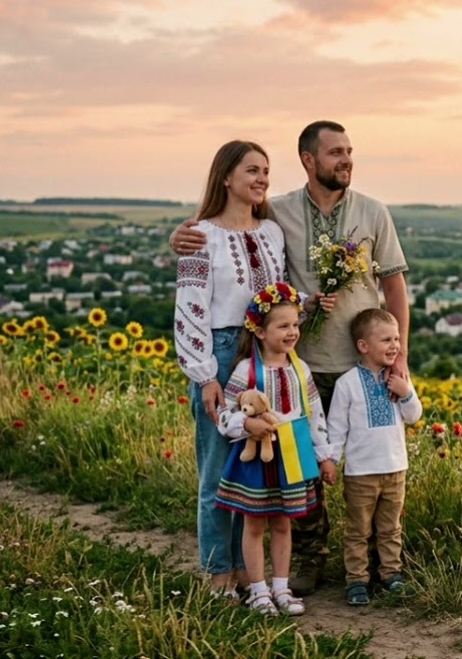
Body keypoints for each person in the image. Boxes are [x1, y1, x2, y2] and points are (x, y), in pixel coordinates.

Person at [170, 120, 411, 595]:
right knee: (258, 468)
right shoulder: (268, 218)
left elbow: (386, 287)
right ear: (309, 159)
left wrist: (398, 356)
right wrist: (178, 239)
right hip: (262, 358)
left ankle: (373, 564)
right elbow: (199, 283)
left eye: (349, 151)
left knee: (353, 465)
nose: (345, 159)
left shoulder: (351, 215)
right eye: (335, 152)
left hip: (327, 362)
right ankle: (267, 568)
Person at [174, 139, 285, 601]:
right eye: (251, 171)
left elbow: (279, 296)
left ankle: (247, 569)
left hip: (260, 355)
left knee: (252, 471)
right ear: (225, 177)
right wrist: (206, 376)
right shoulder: (202, 234)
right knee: (218, 468)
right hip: (219, 352)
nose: (261, 179)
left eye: (265, 171)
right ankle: (218, 570)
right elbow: (190, 308)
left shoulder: (272, 233)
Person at [214, 283, 338, 615]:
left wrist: (324, 455)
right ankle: (258, 591)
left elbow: (315, 415)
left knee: (284, 523)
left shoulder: (300, 370)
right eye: (283, 326)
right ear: (260, 330)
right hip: (256, 461)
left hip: (292, 458)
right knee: (255, 525)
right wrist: (246, 424)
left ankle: (281, 588)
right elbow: (224, 414)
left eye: (295, 324)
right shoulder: (246, 372)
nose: (292, 331)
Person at [325, 308, 423, 606]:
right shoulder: (348, 383)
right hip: (360, 473)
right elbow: (337, 428)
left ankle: (391, 574)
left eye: (396, 339)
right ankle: (357, 580)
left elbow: (414, 415)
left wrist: (406, 392)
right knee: (358, 529)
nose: (395, 345)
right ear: (363, 346)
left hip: (395, 468)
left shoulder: (399, 378)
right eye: (386, 340)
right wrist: (330, 459)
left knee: (390, 527)